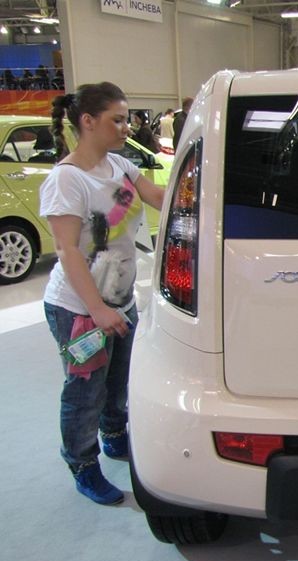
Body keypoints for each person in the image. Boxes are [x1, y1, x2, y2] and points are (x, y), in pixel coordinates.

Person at [40, 82, 165, 505]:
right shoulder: (67, 179)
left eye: (127, 119)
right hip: (78, 308)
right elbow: (68, 250)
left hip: (120, 300)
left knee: (117, 381)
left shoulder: (119, 165)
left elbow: (158, 197)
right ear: (88, 121)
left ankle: (113, 435)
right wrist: (96, 309)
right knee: (85, 392)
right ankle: (82, 464)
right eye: (118, 120)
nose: (126, 127)